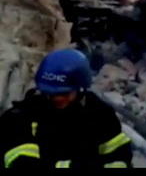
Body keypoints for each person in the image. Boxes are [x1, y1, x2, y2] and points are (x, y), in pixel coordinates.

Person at [0, 48, 133, 169]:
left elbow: (119, 155)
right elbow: (22, 164)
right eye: (50, 93)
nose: (57, 98)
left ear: (80, 89)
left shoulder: (100, 114)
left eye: (64, 93)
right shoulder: (20, 117)